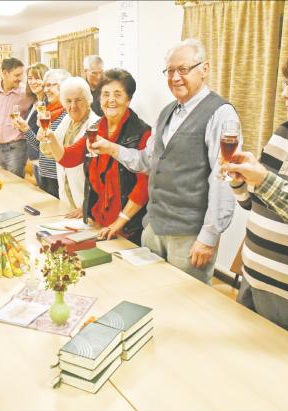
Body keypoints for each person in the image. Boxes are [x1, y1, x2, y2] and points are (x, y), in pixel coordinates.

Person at [91, 38, 238, 283]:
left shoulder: (221, 113)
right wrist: (111, 148)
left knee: (187, 305)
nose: (175, 77)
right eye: (170, 71)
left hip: (189, 235)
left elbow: (224, 177)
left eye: (183, 69)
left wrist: (209, 236)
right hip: (154, 228)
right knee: (152, 293)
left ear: (204, 69)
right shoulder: (168, 111)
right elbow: (147, 161)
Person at [222, 47, 288, 345]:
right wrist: (241, 181)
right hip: (252, 280)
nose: (284, 93)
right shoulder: (284, 133)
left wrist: (265, 180)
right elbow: (255, 204)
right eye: (285, 84)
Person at [47, 70, 150, 244]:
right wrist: (50, 137)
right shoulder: (97, 128)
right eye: (105, 94)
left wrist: (119, 222)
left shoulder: (141, 132)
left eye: (117, 94)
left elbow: (143, 186)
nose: (111, 100)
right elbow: (68, 158)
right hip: (98, 222)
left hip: (127, 227)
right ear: (99, 100)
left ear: (128, 99)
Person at [42, 77, 101, 218]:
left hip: (86, 205)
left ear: (88, 100)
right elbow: (48, 152)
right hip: (67, 201)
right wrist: (44, 137)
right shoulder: (66, 120)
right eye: (68, 101)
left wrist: (89, 205)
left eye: (78, 100)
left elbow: (101, 174)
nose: (73, 106)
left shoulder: (96, 125)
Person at [0, 57, 32, 178]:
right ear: (5, 73)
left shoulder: (26, 93)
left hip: (18, 147)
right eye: (17, 75)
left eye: (22, 75)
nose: (20, 78)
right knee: (1, 182)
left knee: (15, 184)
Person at [26, 69, 70, 197]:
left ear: (64, 86)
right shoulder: (47, 113)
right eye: (45, 86)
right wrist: (26, 130)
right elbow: (41, 148)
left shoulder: (68, 114)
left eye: (50, 85)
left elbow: (64, 150)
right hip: (44, 172)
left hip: (60, 176)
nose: (45, 90)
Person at [14, 62, 49, 186]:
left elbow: (45, 139)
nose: (33, 82)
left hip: (45, 162)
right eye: (30, 78)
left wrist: (25, 129)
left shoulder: (47, 105)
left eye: (37, 78)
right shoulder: (34, 103)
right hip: (34, 159)